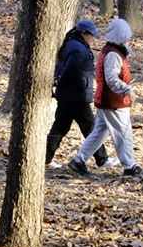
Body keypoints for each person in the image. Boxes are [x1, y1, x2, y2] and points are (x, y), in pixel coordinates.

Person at [67, 18, 143, 177]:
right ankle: (129, 166)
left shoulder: (111, 51)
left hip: (106, 100)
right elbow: (111, 79)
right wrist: (127, 90)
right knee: (124, 133)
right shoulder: (113, 54)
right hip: (113, 101)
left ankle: (78, 161)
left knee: (99, 132)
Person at [45, 19, 120, 170]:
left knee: (60, 127)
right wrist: (61, 81)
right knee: (90, 127)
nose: (92, 38)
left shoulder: (71, 43)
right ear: (83, 33)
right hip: (76, 95)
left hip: (68, 94)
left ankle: (45, 158)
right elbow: (71, 69)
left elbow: (62, 66)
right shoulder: (78, 48)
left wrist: (59, 82)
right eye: (91, 35)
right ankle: (102, 159)